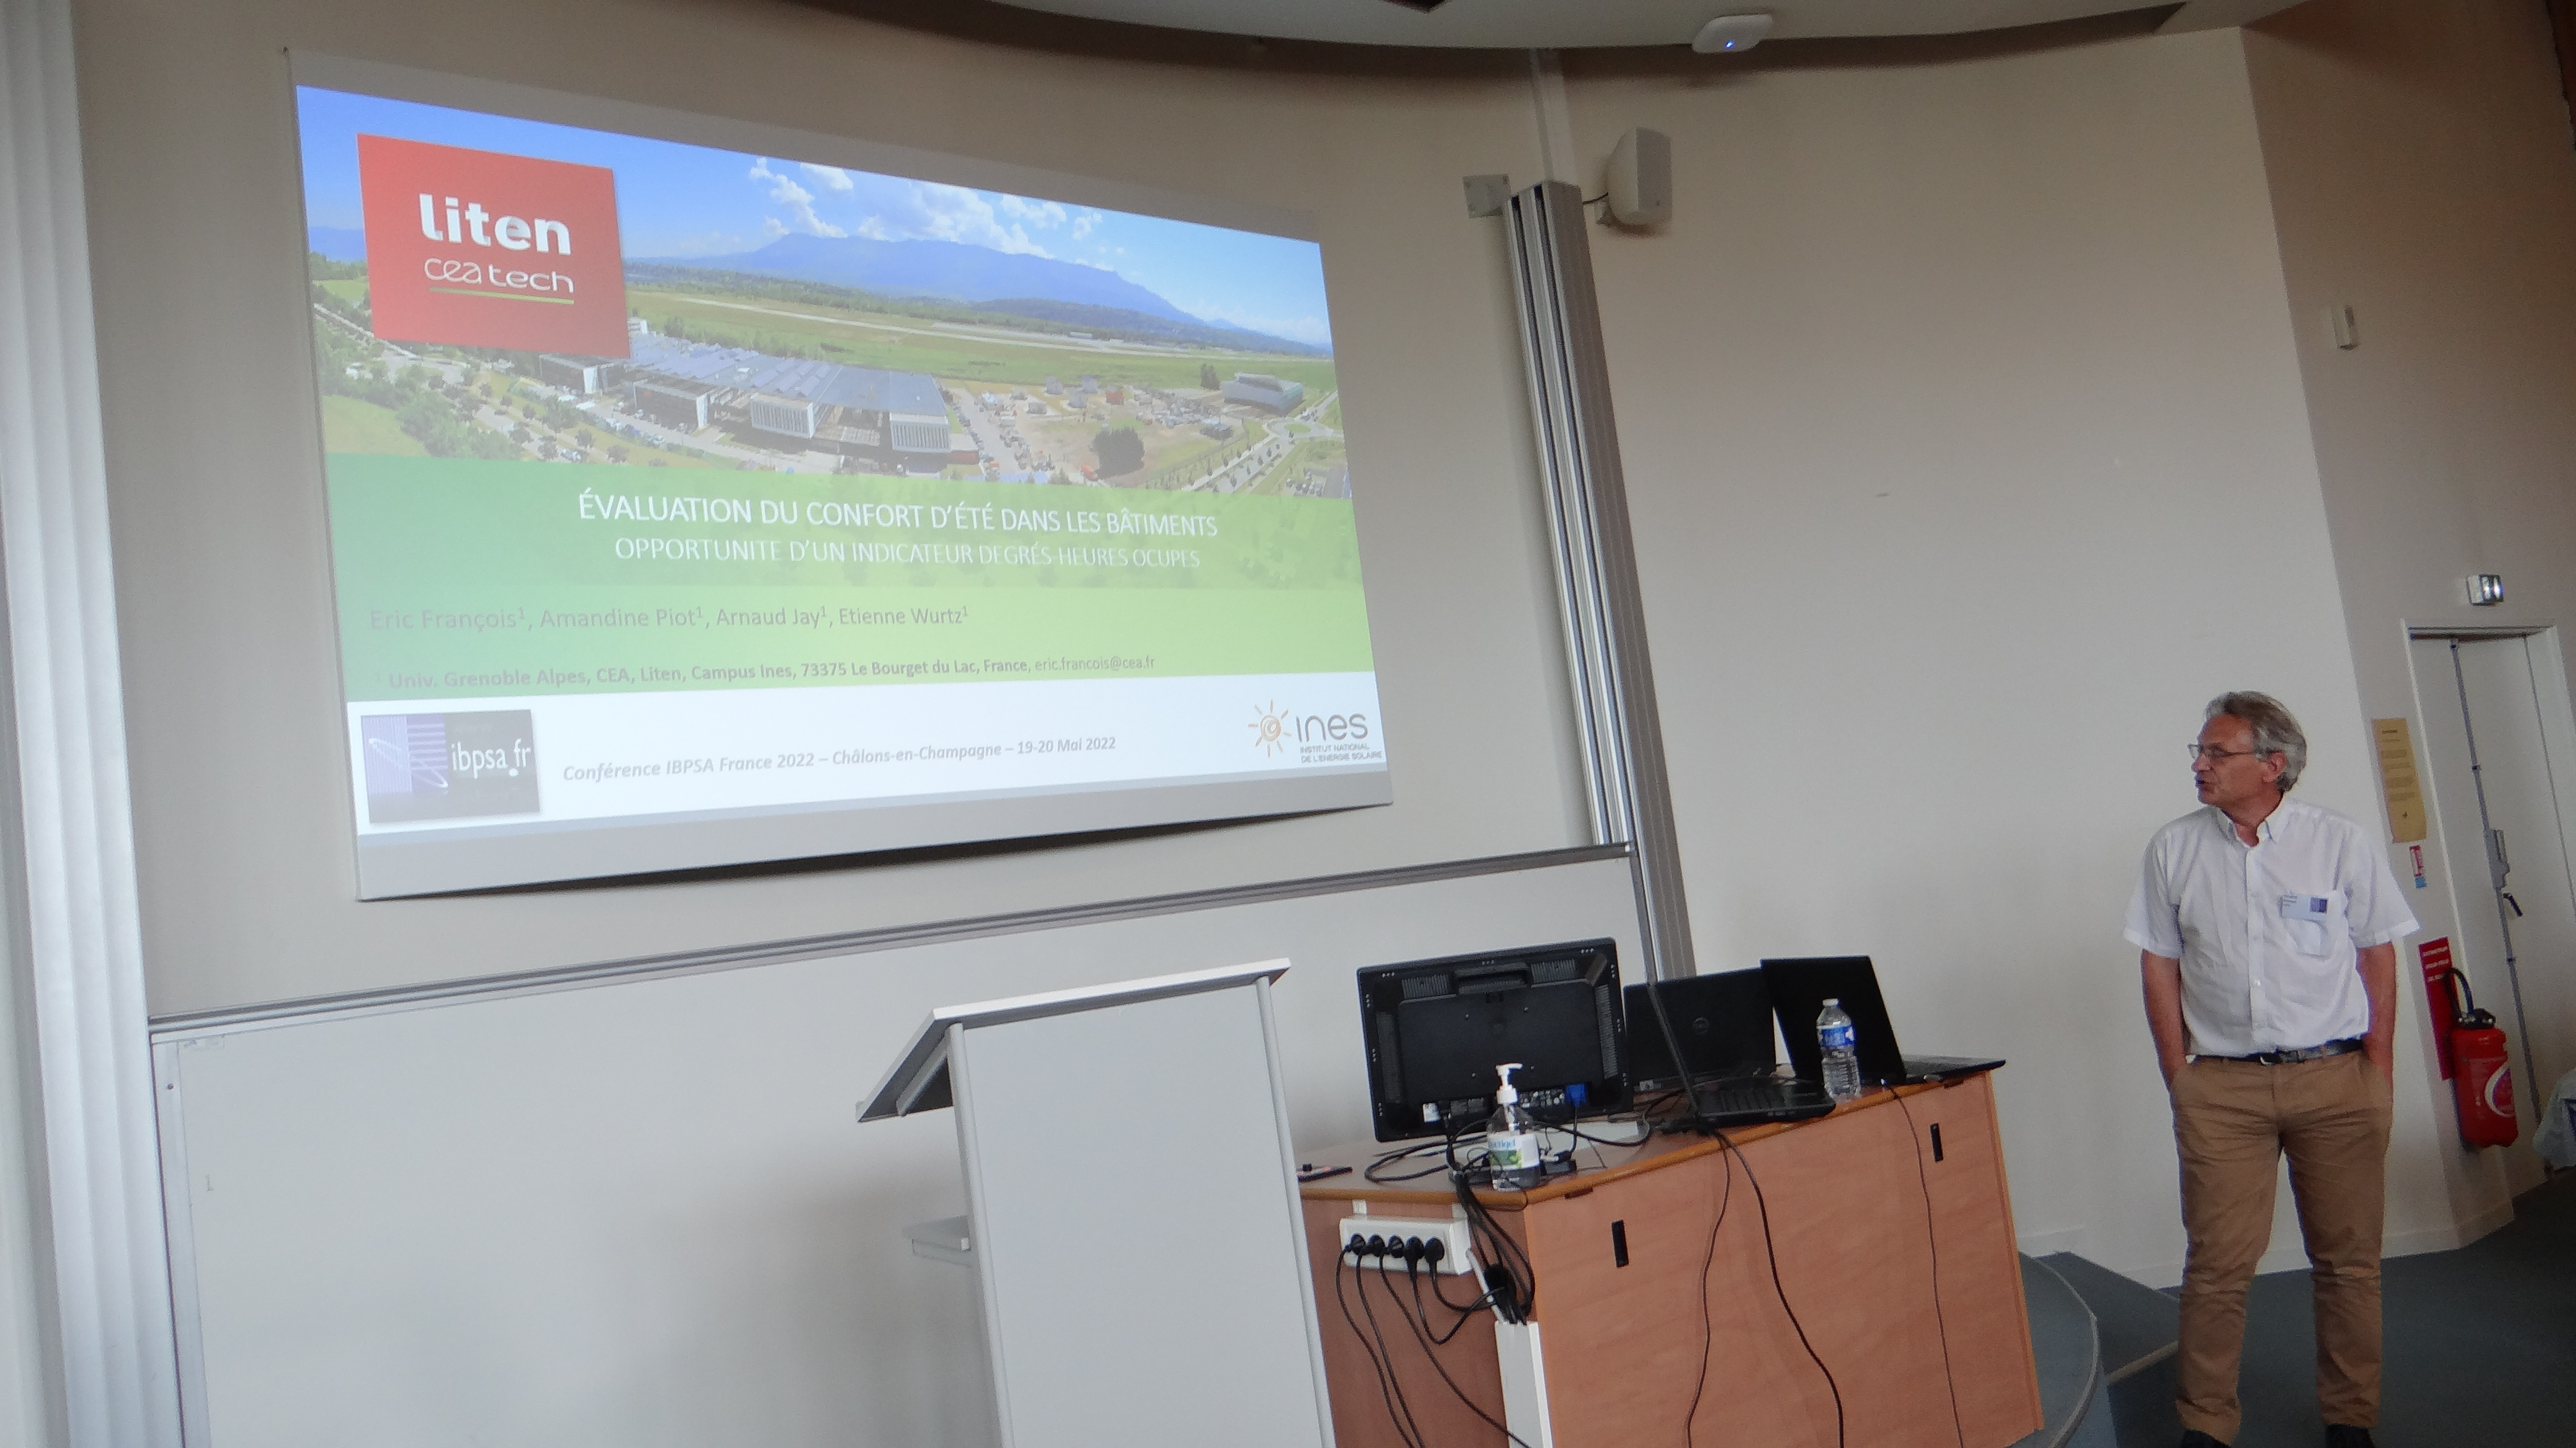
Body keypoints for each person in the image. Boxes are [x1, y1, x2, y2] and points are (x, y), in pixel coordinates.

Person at [2125, 692, 2416, 1448]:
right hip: (2222, 1089)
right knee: (2216, 1267)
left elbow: (2378, 952)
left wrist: (2377, 1066)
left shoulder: (2338, 841)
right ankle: (2206, 1426)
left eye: (2216, 753)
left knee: (2348, 1265)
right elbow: (2159, 964)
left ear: (2272, 765)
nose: (2199, 764)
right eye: (2198, 751)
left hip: (2337, 1079)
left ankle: (2350, 1419)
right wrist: (2179, 1074)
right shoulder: (2174, 848)